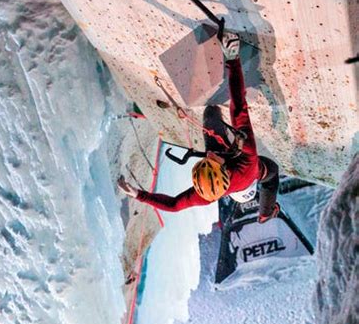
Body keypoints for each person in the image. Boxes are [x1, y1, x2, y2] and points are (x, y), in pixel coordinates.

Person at [118, 34, 280, 222]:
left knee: (211, 114)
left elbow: (174, 205)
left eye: (204, 161)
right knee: (271, 175)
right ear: (225, 171)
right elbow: (239, 107)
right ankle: (265, 213)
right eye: (211, 160)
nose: (208, 154)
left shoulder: (206, 192)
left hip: (227, 171)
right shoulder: (248, 162)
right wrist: (233, 58)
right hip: (255, 174)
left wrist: (138, 194)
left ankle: (218, 134)